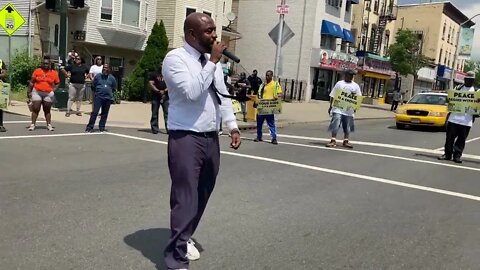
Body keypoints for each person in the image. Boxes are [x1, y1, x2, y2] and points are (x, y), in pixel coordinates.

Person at [161, 12, 241, 270]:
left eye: (215, 30)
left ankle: (184, 237)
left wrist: (232, 125)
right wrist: (213, 62)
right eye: (209, 31)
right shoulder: (175, 59)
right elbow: (192, 92)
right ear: (192, 35)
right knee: (185, 197)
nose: (215, 36)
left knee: (204, 192)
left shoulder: (210, 62)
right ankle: (176, 260)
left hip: (210, 137)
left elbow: (222, 95)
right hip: (186, 136)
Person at [438, 71, 478, 163]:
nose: (469, 81)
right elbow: (450, 99)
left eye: (471, 80)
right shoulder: (458, 88)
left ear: (473, 81)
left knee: (461, 140)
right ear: (464, 79)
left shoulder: (476, 92)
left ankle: (457, 155)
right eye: (467, 79)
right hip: (454, 119)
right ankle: (447, 154)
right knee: (449, 138)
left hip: (466, 121)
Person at [326, 69, 362, 148]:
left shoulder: (355, 86)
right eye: (349, 75)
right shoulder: (339, 84)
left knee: (347, 126)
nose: (351, 77)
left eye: (352, 76)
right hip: (338, 108)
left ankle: (346, 141)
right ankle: (333, 140)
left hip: (348, 110)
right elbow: (333, 95)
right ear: (345, 75)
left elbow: (358, 97)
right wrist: (330, 106)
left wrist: (355, 107)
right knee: (335, 123)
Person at [29, 59, 60, 131]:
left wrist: (54, 90)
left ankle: (49, 124)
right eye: (44, 64)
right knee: (36, 108)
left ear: (49, 65)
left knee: (47, 109)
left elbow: (57, 83)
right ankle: (33, 124)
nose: (46, 65)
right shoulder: (37, 71)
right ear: (42, 64)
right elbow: (32, 82)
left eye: (47, 64)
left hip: (48, 93)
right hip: (37, 91)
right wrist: (29, 92)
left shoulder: (54, 73)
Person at [85, 64, 117, 132]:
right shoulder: (98, 76)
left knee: (104, 113)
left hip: (107, 98)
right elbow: (93, 85)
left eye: (106, 68)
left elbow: (114, 87)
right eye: (104, 68)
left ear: (109, 69)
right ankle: (90, 127)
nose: (105, 69)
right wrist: (97, 92)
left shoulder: (112, 78)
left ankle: (102, 127)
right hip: (99, 97)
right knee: (95, 112)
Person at [253, 70, 282, 144]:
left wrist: (276, 97)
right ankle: (259, 136)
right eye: (266, 75)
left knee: (271, 123)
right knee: (259, 123)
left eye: (268, 75)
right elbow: (259, 94)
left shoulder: (275, 84)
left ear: (271, 76)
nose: (267, 77)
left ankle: (274, 138)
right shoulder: (263, 84)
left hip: (270, 107)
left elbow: (280, 94)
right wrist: (256, 101)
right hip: (262, 106)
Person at [149, 67, 169, 134]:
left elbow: (171, 84)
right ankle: (154, 129)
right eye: (161, 64)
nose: (162, 66)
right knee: (154, 113)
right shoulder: (154, 74)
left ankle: (169, 129)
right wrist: (157, 91)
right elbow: (151, 83)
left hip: (166, 97)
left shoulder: (168, 74)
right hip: (155, 97)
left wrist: (164, 91)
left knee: (167, 114)